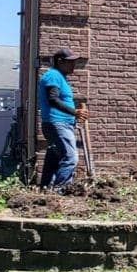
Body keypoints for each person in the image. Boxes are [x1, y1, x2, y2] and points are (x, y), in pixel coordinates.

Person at [38, 48, 89, 189]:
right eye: (70, 62)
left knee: (54, 157)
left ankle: (45, 189)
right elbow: (53, 99)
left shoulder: (59, 77)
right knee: (70, 158)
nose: (74, 65)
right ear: (60, 62)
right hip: (58, 123)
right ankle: (61, 190)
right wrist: (74, 112)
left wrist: (74, 115)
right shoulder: (53, 75)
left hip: (59, 123)